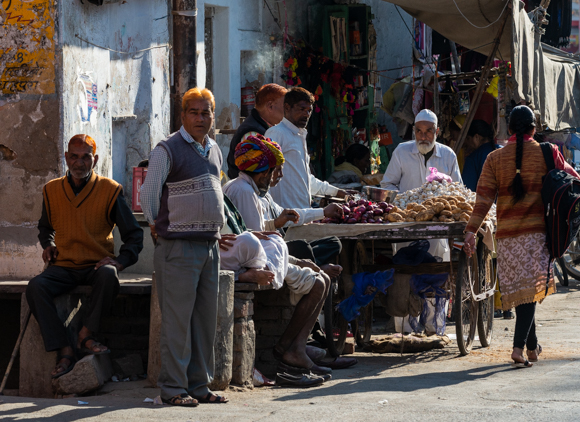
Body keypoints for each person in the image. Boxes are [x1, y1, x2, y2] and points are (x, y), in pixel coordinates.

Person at [463, 105, 579, 368]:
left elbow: (482, 200)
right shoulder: (548, 152)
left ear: (509, 130)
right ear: (533, 129)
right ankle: (518, 349)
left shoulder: (493, 159)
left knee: (525, 292)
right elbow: (573, 179)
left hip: (507, 238)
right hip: (536, 236)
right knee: (531, 291)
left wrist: (471, 231)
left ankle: (532, 345)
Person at [27, 134, 143, 379]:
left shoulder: (110, 190)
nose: (79, 162)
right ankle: (64, 348)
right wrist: (47, 245)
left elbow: (134, 235)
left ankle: (86, 334)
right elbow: (45, 228)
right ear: (67, 157)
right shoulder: (51, 190)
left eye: (85, 157)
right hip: (64, 265)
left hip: (95, 264)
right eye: (74, 156)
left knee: (109, 275)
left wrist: (120, 261)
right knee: (36, 287)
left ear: (95, 159)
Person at [140, 87, 228, 406]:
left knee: (204, 321)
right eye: (194, 112)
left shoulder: (215, 150)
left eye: (206, 113)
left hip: (209, 247)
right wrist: (155, 226)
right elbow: (148, 196)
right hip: (176, 247)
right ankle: (174, 389)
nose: (201, 118)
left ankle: (199, 385)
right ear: (183, 116)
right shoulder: (168, 148)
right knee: (177, 322)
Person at [225, 133, 343, 277]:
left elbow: (253, 229)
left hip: (261, 251)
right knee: (303, 251)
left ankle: (315, 269)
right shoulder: (245, 192)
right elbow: (256, 241)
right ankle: (318, 269)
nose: (280, 175)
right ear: (266, 172)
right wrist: (295, 262)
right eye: (277, 170)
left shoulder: (252, 190)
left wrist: (277, 222)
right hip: (253, 260)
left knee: (331, 243)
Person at [267, 87, 348, 209]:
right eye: (302, 109)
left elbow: (306, 179)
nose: (306, 114)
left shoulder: (299, 135)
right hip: (284, 215)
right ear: (287, 107)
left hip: (302, 213)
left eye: (309, 110)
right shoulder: (277, 133)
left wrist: (336, 192)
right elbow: (266, 175)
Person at [380, 109, 462, 192]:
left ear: (436, 132)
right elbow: (387, 184)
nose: (423, 137)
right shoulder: (401, 152)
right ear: (414, 131)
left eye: (428, 131)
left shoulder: (448, 155)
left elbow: (458, 188)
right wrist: (402, 199)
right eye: (419, 131)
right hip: (407, 204)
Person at [227, 83, 288, 179]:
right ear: (270, 106)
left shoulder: (262, 126)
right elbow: (253, 174)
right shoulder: (253, 132)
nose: (287, 111)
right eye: (284, 106)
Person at [461, 120, 498, 192]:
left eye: (468, 139)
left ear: (476, 137)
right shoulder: (503, 149)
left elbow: (467, 190)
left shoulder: (473, 158)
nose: (467, 143)